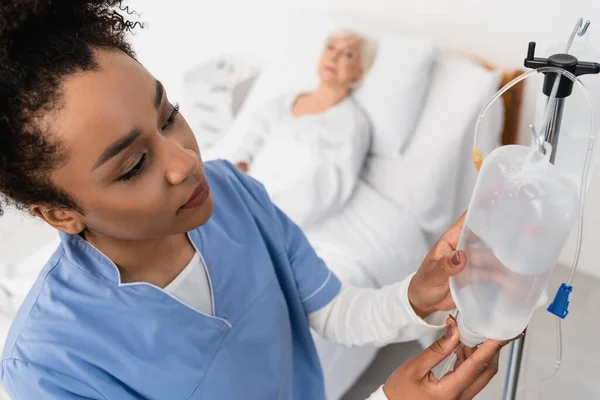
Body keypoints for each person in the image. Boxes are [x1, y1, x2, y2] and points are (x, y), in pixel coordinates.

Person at [0, 2, 517, 399]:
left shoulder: (232, 193)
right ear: (60, 213)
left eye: (168, 117)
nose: (185, 161)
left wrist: (415, 296)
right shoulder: (52, 368)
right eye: (133, 166)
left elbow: (332, 312)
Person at [231, 30, 375, 227]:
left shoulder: (351, 124)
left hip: (275, 213)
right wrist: (237, 175)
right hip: (243, 194)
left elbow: (330, 192)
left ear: (359, 72)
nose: (333, 57)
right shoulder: (280, 104)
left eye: (348, 54)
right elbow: (247, 146)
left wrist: (265, 215)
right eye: (330, 48)